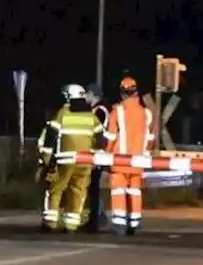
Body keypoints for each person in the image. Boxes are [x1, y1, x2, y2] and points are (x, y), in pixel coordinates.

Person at [38, 84, 103, 232]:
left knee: (56, 189)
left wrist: (45, 160)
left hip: (64, 160)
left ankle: (50, 222)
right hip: (85, 161)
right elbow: (100, 138)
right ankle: (71, 224)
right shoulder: (91, 117)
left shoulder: (62, 114)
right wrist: (96, 156)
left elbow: (51, 138)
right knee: (78, 191)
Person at [104, 76, 155, 235]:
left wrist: (105, 154)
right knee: (135, 192)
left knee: (118, 191)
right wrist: (146, 153)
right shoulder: (146, 113)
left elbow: (111, 136)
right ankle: (135, 223)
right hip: (138, 161)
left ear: (122, 93)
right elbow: (151, 138)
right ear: (136, 92)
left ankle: (119, 224)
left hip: (120, 160)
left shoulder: (118, 111)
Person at [82, 83, 111, 230]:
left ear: (93, 94)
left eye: (86, 94)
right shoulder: (97, 110)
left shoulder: (99, 111)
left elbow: (98, 133)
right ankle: (98, 217)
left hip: (98, 154)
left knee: (93, 187)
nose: (85, 97)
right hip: (96, 153)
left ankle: (95, 219)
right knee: (92, 187)